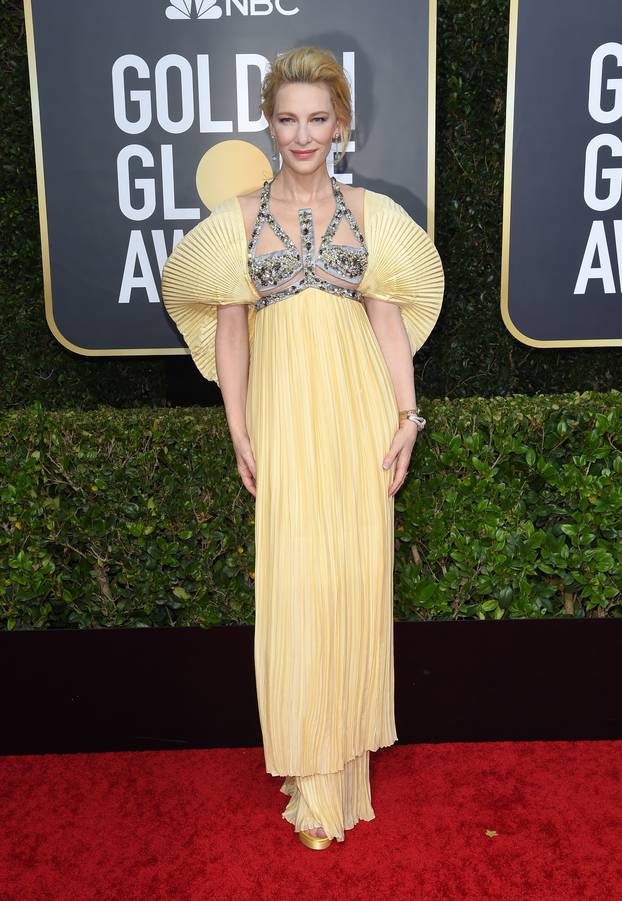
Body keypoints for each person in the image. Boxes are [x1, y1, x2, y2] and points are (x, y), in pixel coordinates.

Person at [160, 45, 444, 850]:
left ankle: (335, 769)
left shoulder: (372, 211)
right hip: (284, 415)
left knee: (351, 579)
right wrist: (241, 429)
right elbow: (230, 327)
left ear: (342, 123)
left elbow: (386, 317)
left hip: (357, 410)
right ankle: (309, 765)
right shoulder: (241, 220)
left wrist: (406, 418)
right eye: (287, 118)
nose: (302, 133)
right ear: (269, 123)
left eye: (318, 118)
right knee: (296, 584)